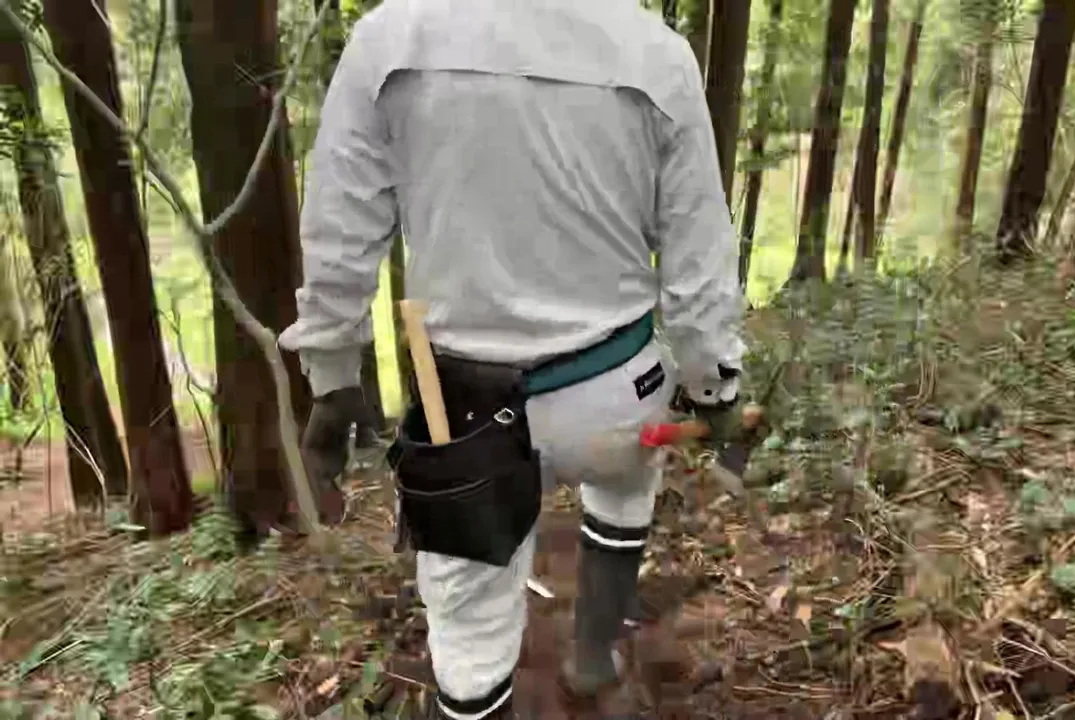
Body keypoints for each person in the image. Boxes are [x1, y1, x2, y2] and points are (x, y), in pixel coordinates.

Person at [278, 0, 745, 717]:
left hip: (459, 410)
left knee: (469, 628)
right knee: (625, 488)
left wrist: (333, 375)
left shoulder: (391, 38)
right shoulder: (656, 52)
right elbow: (699, 250)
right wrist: (715, 388)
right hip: (617, 393)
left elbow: (339, 226)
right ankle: (593, 658)